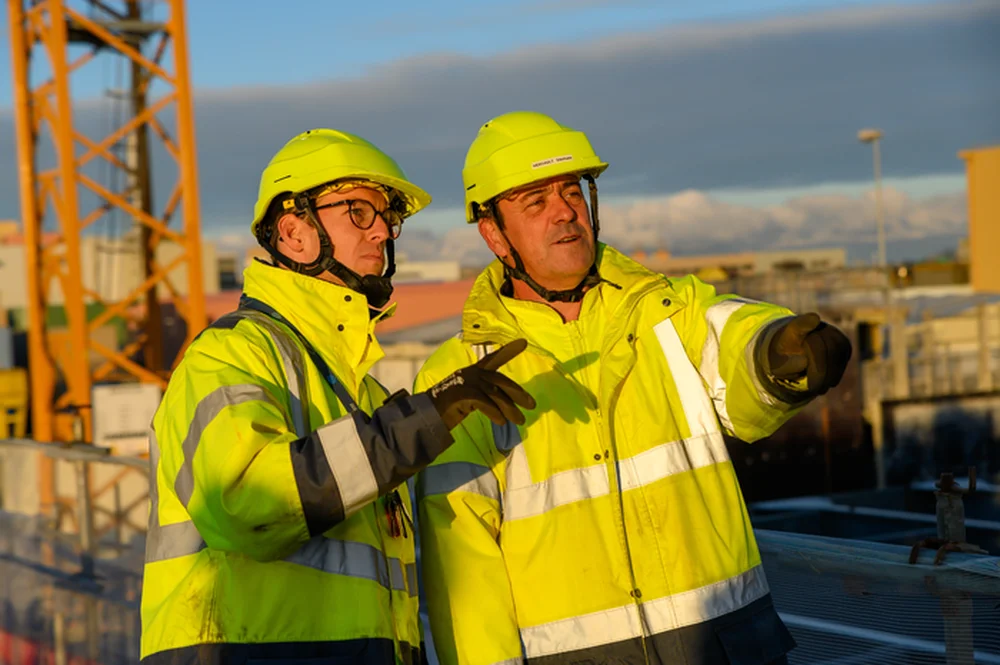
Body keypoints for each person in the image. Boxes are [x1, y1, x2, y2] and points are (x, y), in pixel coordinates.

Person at [415, 111, 852, 665]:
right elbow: (464, 569)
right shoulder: (458, 378)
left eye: (571, 190)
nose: (564, 212)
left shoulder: (669, 310)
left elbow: (735, 334)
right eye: (536, 202)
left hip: (725, 644)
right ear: (493, 233)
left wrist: (777, 351)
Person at [139, 128, 534, 665]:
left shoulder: (361, 392)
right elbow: (246, 505)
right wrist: (422, 420)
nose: (383, 235)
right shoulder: (230, 355)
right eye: (359, 213)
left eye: (387, 218)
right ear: (294, 233)